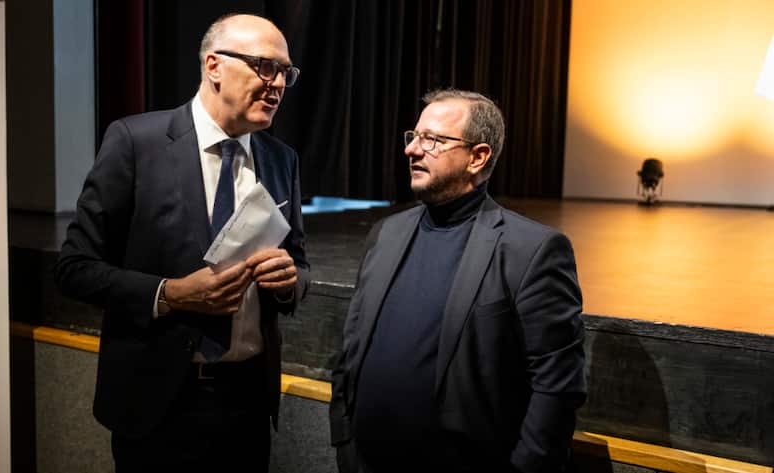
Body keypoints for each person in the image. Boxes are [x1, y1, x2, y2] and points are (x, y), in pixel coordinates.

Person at [54, 14, 309, 472]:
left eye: (285, 73)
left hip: (246, 405)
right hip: (157, 404)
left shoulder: (280, 159)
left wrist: (290, 281)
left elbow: (301, 264)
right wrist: (168, 294)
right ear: (214, 66)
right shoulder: (136, 142)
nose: (277, 84)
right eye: (264, 66)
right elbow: (74, 268)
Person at [329, 89, 585, 473]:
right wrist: (345, 439)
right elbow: (351, 348)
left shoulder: (532, 250)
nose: (412, 150)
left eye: (432, 139)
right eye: (413, 137)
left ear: (478, 157)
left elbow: (556, 389)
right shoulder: (387, 233)